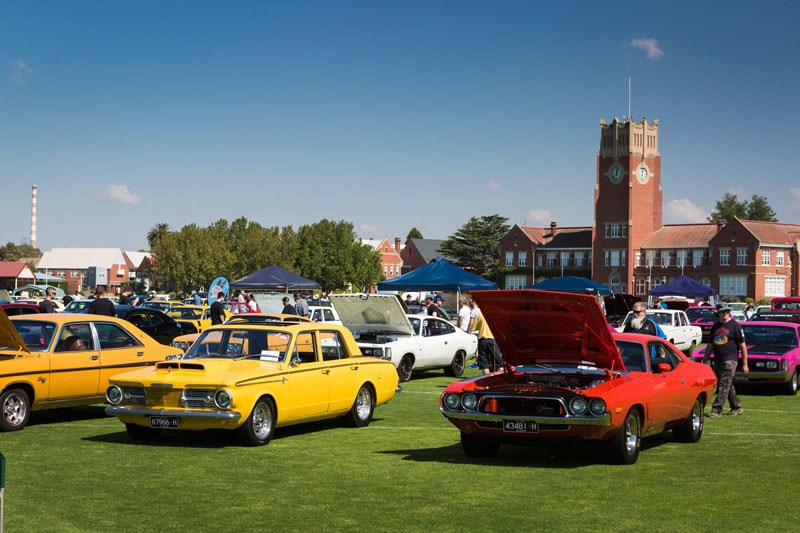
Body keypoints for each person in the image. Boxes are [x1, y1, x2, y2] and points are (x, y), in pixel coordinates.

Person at [702, 303, 749, 417]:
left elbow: (742, 345)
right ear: (718, 314)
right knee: (728, 384)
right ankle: (736, 407)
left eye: (727, 311)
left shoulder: (735, 325)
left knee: (723, 384)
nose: (725, 313)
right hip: (718, 360)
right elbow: (710, 344)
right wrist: (705, 359)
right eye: (723, 312)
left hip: (730, 360)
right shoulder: (715, 326)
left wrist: (745, 364)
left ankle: (716, 410)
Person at [471, 307, 503, 374]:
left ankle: (486, 378)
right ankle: (498, 378)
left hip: (482, 340)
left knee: (484, 363)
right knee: (498, 361)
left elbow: (474, 328)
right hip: (492, 339)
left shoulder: (480, 315)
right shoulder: (496, 316)